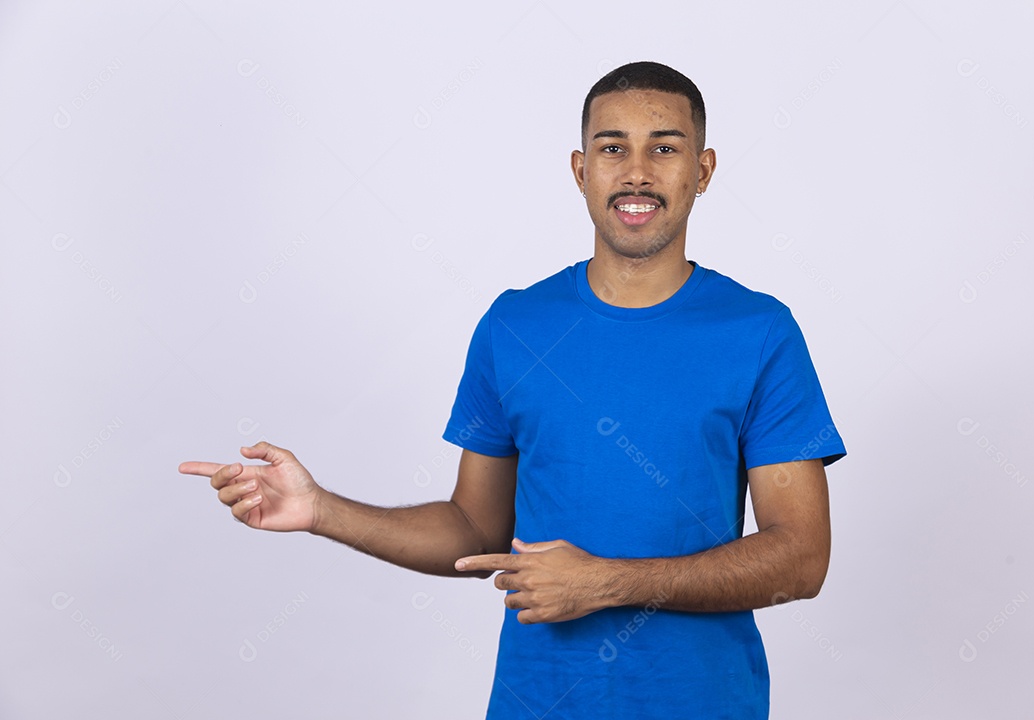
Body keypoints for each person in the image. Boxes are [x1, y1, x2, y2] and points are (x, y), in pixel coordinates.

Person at [180, 60, 846, 719]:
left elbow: (800, 557)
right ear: (581, 171)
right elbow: (473, 527)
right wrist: (322, 509)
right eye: (612, 148)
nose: (637, 173)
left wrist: (610, 583)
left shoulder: (759, 332)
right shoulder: (515, 326)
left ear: (701, 171)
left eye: (664, 149)